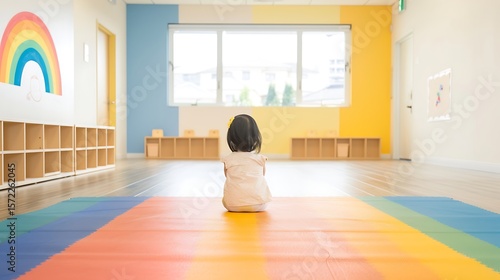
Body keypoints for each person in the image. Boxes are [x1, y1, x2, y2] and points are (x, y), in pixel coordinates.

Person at [221, 114, 272, 212]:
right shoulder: (260, 159)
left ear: (231, 138)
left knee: (224, 200)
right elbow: (262, 175)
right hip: (259, 205)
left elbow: (227, 176)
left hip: (232, 205)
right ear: (256, 138)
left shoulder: (228, 159)